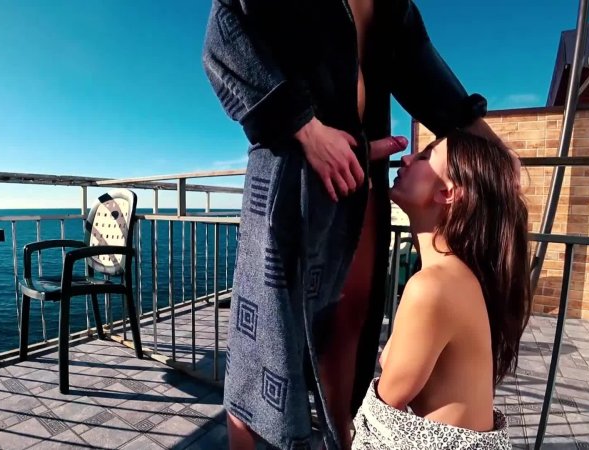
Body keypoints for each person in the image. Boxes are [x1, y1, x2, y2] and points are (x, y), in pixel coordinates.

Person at [201, 1, 514, 448]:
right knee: (263, 347)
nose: (414, 158)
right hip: (288, 177)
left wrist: (495, 156)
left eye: (424, 156)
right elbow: (223, 36)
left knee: (346, 334)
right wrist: (305, 128)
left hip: (360, 179)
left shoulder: (394, 9)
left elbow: (420, 67)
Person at [352, 131, 530, 449]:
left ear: (447, 193)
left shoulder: (434, 287)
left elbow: (379, 420)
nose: (406, 158)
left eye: (423, 157)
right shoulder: (456, 276)